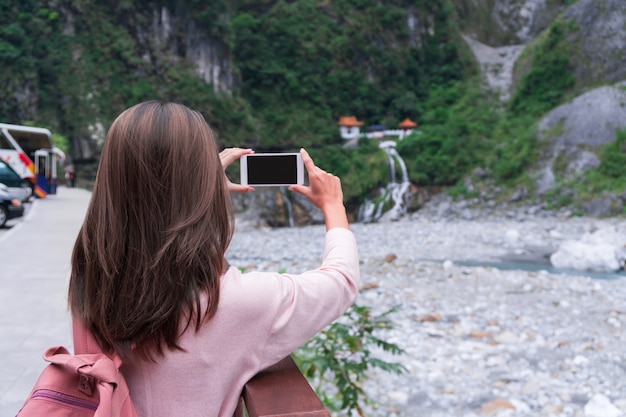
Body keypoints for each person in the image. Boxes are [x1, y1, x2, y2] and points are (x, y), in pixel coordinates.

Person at [67, 101, 360, 417]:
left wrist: (199, 191)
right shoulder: (238, 302)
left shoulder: (94, 279)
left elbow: (153, 247)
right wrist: (334, 208)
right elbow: (341, 280)